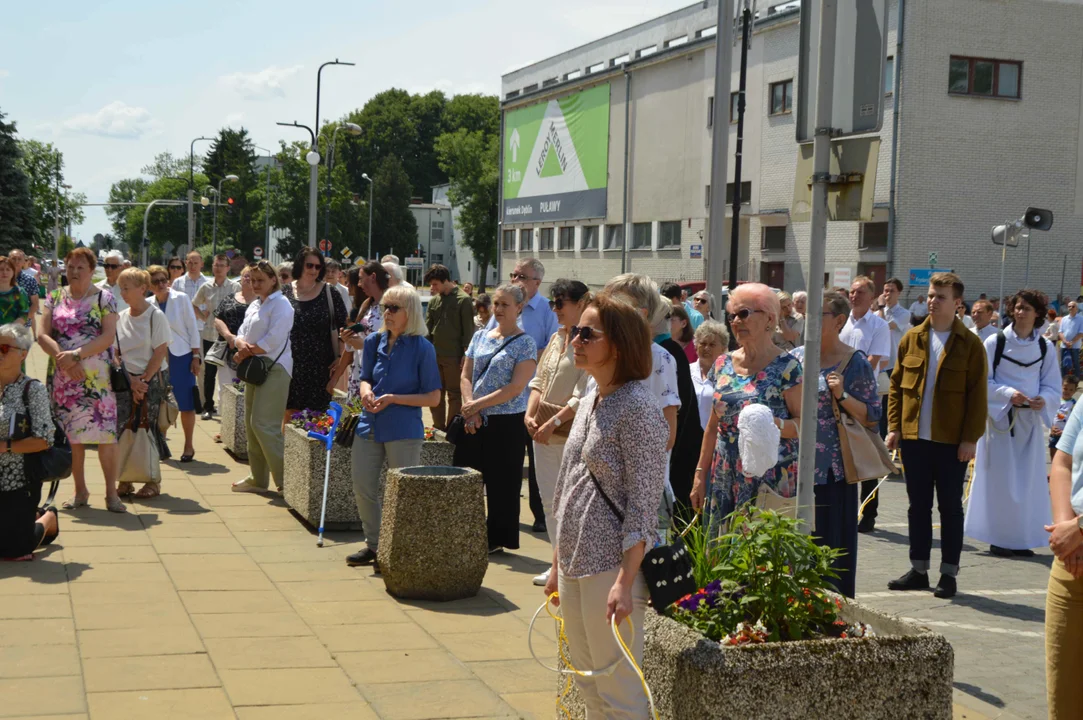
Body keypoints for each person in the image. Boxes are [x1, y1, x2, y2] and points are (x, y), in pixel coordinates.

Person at [542, 292, 669, 718]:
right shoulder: (590, 400)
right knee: (587, 680)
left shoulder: (639, 408)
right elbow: (568, 486)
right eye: (574, 330)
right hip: (577, 560)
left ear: (617, 345)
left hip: (611, 567)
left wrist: (625, 580)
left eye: (586, 333)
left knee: (619, 688)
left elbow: (644, 504)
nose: (574, 338)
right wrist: (557, 563)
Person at [886, 272, 987, 599]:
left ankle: (948, 574)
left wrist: (970, 439)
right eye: (931, 295)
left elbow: (977, 396)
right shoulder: (912, 337)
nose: (932, 301)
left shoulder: (970, 344)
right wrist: (893, 427)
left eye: (940, 296)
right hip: (914, 439)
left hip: (951, 442)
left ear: (957, 304)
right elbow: (895, 387)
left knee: (950, 509)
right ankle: (918, 569)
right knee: (917, 507)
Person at [691, 283, 803, 536]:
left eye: (744, 314)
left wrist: (771, 425)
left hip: (768, 474)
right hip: (724, 473)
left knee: (760, 556)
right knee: (719, 553)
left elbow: (803, 426)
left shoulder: (788, 366)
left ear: (769, 319)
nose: (735, 321)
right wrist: (700, 475)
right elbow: (712, 426)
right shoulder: (722, 363)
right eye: (732, 316)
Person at [345, 285, 441, 570]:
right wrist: (365, 392)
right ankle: (374, 544)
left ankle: (396, 549)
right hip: (369, 424)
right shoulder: (374, 341)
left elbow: (434, 397)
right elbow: (365, 378)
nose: (386, 313)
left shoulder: (423, 347)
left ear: (409, 312)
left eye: (394, 308)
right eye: (386, 307)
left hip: (403, 428)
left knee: (400, 492)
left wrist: (394, 398)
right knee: (362, 486)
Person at [792, 291, 881, 598]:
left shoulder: (854, 362)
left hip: (833, 473)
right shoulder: (795, 358)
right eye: (808, 315)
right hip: (794, 470)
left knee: (831, 552)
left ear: (840, 321)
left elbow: (872, 415)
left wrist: (842, 395)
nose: (810, 321)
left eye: (820, 315)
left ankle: (833, 616)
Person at [966, 289, 1060, 558]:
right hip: (1001, 421)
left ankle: (1021, 538)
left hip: (1029, 422)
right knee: (1001, 481)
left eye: (1027, 308)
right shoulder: (994, 342)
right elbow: (981, 381)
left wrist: (1043, 398)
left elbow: (1052, 383)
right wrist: (1008, 394)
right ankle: (998, 537)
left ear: (1038, 314)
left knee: (1027, 482)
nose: (1021, 312)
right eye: (1017, 307)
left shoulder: (1043, 346)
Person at [454, 284, 538, 553]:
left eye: (505, 304)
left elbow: (515, 387)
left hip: (506, 422)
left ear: (519, 308)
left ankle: (496, 539)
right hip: (473, 420)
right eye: (496, 304)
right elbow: (465, 375)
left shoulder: (525, 343)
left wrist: (478, 405)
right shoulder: (480, 336)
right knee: (466, 479)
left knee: (502, 484)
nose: (499, 309)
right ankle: (465, 533)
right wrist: (471, 407)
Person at [38, 247, 124, 512]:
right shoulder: (54, 297)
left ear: (91, 270)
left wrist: (76, 355)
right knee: (72, 437)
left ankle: (111, 494)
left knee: (105, 437)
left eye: (80, 268)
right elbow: (42, 335)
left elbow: (108, 337)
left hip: (97, 380)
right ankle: (80, 492)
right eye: (70, 267)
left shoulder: (104, 298)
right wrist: (64, 360)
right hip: (64, 380)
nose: (74, 272)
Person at [524, 279, 591, 586]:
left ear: (581, 303)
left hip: (568, 433)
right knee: (549, 500)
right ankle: (556, 564)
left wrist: (553, 421)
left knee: (569, 503)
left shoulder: (588, 342)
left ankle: (569, 566)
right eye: (552, 303)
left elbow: (584, 393)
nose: (555, 309)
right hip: (542, 429)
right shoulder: (555, 337)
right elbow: (538, 380)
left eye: (560, 303)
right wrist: (530, 412)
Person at [488, 258, 559, 533]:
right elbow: (488, 338)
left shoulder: (547, 310)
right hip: (503, 395)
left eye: (521, 276)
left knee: (537, 455)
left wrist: (521, 354)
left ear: (536, 283)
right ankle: (506, 517)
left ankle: (541, 514)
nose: (515, 280)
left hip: (535, 393)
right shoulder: (503, 306)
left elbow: (554, 348)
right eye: (513, 274)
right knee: (508, 461)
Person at [231, 261, 295, 493]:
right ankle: (258, 478)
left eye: (260, 280)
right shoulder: (256, 304)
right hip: (255, 366)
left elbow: (273, 339)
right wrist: (240, 344)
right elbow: (242, 333)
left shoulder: (282, 304)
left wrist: (246, 350)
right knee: (251, 424)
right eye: (252, 280)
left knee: (264, 424)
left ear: (273, 280)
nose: (255, 284)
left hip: (275, 368)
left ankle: (286, 483)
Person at [0, 323, 58, 560]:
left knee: (13, 551)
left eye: (4, 348)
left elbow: (45, 440)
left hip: (19, 481)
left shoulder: (32, 390)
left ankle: (48, 517)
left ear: (23, 354)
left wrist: (5, 447)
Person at [114, 268, 172, 498]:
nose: (123, 293)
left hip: (152, 381)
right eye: (121, 289)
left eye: (127, 288)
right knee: (124, 430)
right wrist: (132, 382)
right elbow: (115, 352)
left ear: (142, 289)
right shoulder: (120, 317)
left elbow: (160, 352)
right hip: (127, 382)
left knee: (150, 430)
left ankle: (152, 481)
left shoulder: (155, 316)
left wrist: (143, 382)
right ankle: (125, 479)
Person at [840, 276, 890, 534]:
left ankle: (868, 513)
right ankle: (845, 510)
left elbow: (873, 360)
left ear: (872, 297)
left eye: (860, 292)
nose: (854, 296)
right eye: (851, 291)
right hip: (837, 396)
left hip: (864, 397)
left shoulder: (879, 326)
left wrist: (844, 382)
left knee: (868, 457)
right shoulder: (841, 323)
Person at [1044, 396, 1083, 719]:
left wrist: (1079, 531)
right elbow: (1062, 462)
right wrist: (1065, 530)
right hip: (1072, 564)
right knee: (1064, 700)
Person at [285, 248, 348, 422]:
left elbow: (344, 327)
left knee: (317, 418)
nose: (314, 270)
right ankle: (288, 449)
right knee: (289, 414)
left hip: (321, 366)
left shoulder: (330, 292)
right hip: (290, 364)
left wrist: (340, 356)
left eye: (318, 267)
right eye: (309, 265)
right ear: (300, 265)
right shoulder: (285, 292)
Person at [148, 265, 202, 462]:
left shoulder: (181, 298)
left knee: (186, 403)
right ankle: (161, 442)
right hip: (158, 358)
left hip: (182, 356)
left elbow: (192, 327)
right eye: (156, 282)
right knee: (161, 401)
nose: (161, 284)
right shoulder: (147, 303)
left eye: (164, 280)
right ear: (149, 286)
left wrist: (196, 356)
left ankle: (189, 445)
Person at [424, 264, 475, 431]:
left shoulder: (464, 300)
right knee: (435, 393)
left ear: (446, 281)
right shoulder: (434, 301)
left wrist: (465, 355)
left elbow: (468, 331)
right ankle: (438, 428)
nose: (433, 288)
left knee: (454, 394)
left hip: (454, 356)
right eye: (431, 285)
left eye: (435, 284)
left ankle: (452, 430)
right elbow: (427, 329)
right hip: (434, 355)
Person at [192, 254, 239, 420]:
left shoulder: (235, 287)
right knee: (209, 374)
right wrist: (204, 318)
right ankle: (208, 407)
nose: (218, 268)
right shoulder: (206, 287)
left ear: (228, 268)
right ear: (212, 267)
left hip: (227, 338)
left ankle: (229, 408)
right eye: (216, 265)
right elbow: (194, 304)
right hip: (210, 335)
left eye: (222, 265)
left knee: (229, 374)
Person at [334, 261, 389, 399]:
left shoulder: (391, 306)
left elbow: (395, 343)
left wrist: (364, 345)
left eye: (360, 278)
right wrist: (349, 339)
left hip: (378, 377)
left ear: (373, 277)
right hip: (359, 373)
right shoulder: (367, 304)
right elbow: (358, 341)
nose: (358, 284)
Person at [212, 265, 256, 392]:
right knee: (226, 390)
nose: (248, 279)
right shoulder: (229, 297)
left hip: (250, 353)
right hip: (227, 350)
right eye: (246, 275)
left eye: (252, 277)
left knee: (245, 392)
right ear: (241, 279)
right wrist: (229, 337)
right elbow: (217, 318)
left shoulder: (261, 301)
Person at [690, 320, 728, 432]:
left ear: (723, 348)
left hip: (715, 437)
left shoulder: (728, 376)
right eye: (703, 343)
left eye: (712, 344)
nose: (707, 348)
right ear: (696, 346)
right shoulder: (685, 372)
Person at [7, 250, 39, 338]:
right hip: (2, 324)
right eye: (13, 259)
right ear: (8, 260)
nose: (16, 261)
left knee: (18, 351)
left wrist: (22, 321)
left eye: (19, 259)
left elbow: (35, 304)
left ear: (24, 262)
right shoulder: (2, 277)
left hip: (22, 326)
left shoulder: (30, 280)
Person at [1050, 375, 1079, 462]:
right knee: (1053, 454)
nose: (1067, 392)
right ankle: (1053, 473)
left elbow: (1076, 421)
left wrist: (1066, 431)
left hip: (1067, 434)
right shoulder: (1055, 401)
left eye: (1071, 390)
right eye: (1065, 388)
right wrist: (1051, 428)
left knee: (1066, 457)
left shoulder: (1074, 404)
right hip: (1055, 433)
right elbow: (1050, 415)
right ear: (1061, 387)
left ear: (1075, 391)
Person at [0, 256, 30, 327]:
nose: (4, 272)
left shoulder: (20, 292)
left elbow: (24, 314)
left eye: (8, 269)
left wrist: (9, 330)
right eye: (1, 269)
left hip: (12, 333)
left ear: (13, 272)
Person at [1060, 301, 1083, 377]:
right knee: (1063, 365)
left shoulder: (1081, 319)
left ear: (1076, 308)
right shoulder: (1064, 319)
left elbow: (1081, 333)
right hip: (1064, 346)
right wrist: (1065, 341)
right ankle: (1064, 382)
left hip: (1075, 346)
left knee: (1076, 364)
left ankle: (1075, 383)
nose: (1070, 308)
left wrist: (1071, 343)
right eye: (1069, 306)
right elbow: (1060, 332)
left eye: (1073, 306)